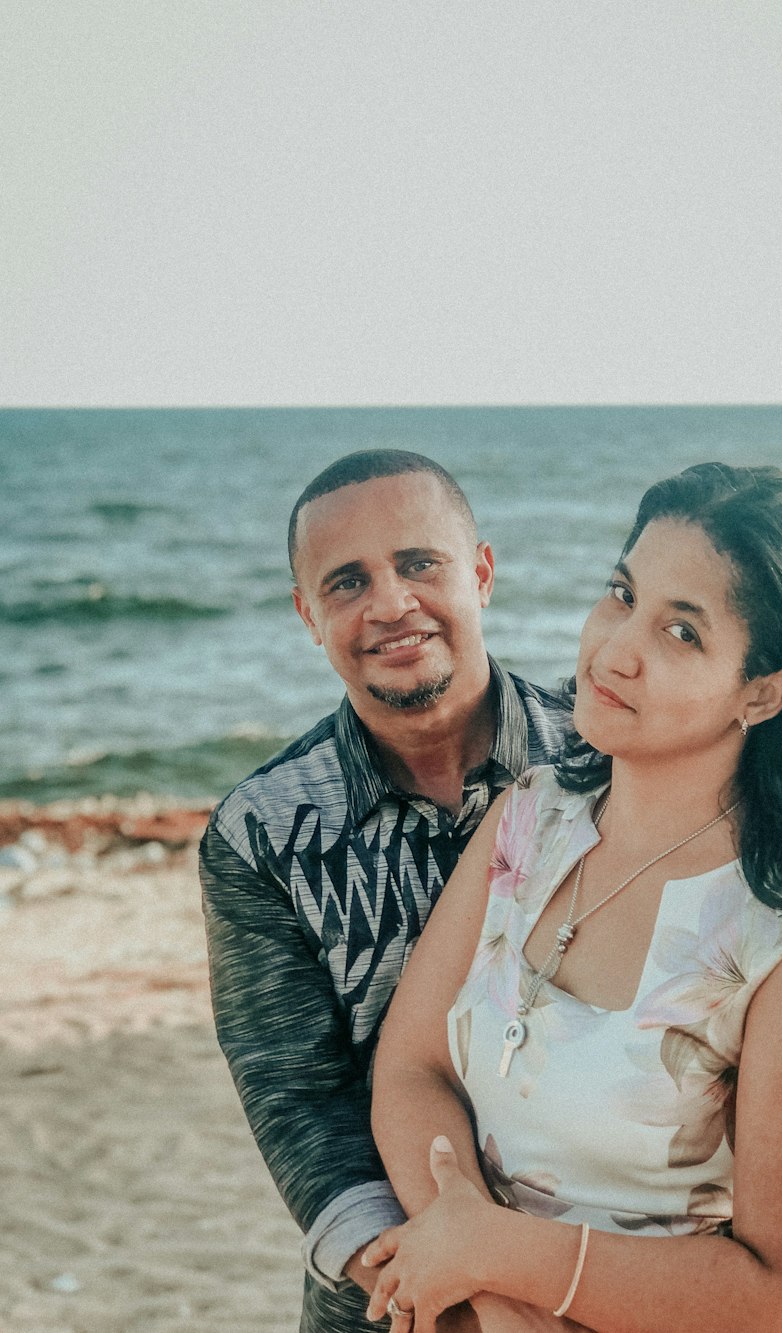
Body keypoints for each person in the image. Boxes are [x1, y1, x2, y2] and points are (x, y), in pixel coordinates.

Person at [365, 462, 782, 1333]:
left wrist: (496, 1259)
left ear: (763, 693)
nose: (616, 648)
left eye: (682, 633)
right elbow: (410, 1065)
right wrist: (479, 1267)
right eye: (622, 594)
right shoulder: (528, 820)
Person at [199, 450, 571, 1332]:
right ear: (307, 615)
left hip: (609, 1272)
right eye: (347, 581)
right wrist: (446, 1292)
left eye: (418, 563)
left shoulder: (603, 762)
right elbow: (295, 1096)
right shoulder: (260, 831)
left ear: (481, 571)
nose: (390, 604)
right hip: (393, 1301)